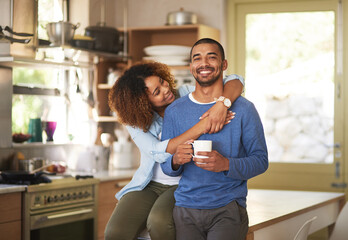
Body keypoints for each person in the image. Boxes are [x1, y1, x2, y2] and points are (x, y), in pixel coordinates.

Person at [105, 60, 244, 240]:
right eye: (157, 92)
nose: (166, 89)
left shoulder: (187, 94)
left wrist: (222, 105)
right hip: (148, 184)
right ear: (142, 103)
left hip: (182, 183)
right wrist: (203, 125)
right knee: (114, 233)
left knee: (159, 222)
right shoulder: (135, 120)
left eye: (162, 82)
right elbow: (158, 151)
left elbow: (235, 80)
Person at [160, 38, 269, 240]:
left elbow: (261, 161)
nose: (204, 64)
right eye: (197, 58)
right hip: (185, 209)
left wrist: (226, 164)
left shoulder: (244, 109)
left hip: (227, 209)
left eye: (212, 57)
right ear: (191, 67)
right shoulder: (175, 110)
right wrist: (175, 160)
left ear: (224, 64)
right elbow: (165, 165)